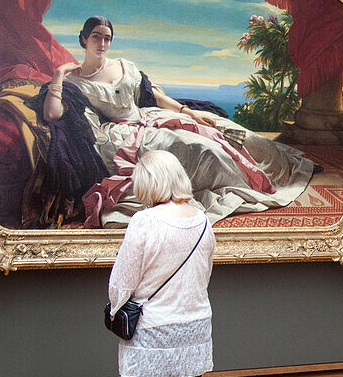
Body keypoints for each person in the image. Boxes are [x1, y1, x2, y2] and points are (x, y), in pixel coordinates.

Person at [45, 16, 315, 227]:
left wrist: (187, 112)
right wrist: (58, 76)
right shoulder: (73, 80)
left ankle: (274, 170)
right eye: (96, 37)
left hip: (148, 118)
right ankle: (249, 186)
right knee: (198, 147)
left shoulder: (123, 65)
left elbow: (155, 97)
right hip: (124, 136)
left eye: (107, 38)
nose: (102, 44)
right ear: (83, 39)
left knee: (221, 128)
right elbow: (53, 115)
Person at [108, 150, 216, 377]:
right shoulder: (203, 221)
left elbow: (121, 284)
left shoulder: (144, 222)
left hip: (153, 334)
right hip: (194, 330)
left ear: (150, 181)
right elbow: (204, 275)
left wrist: (116, 306)